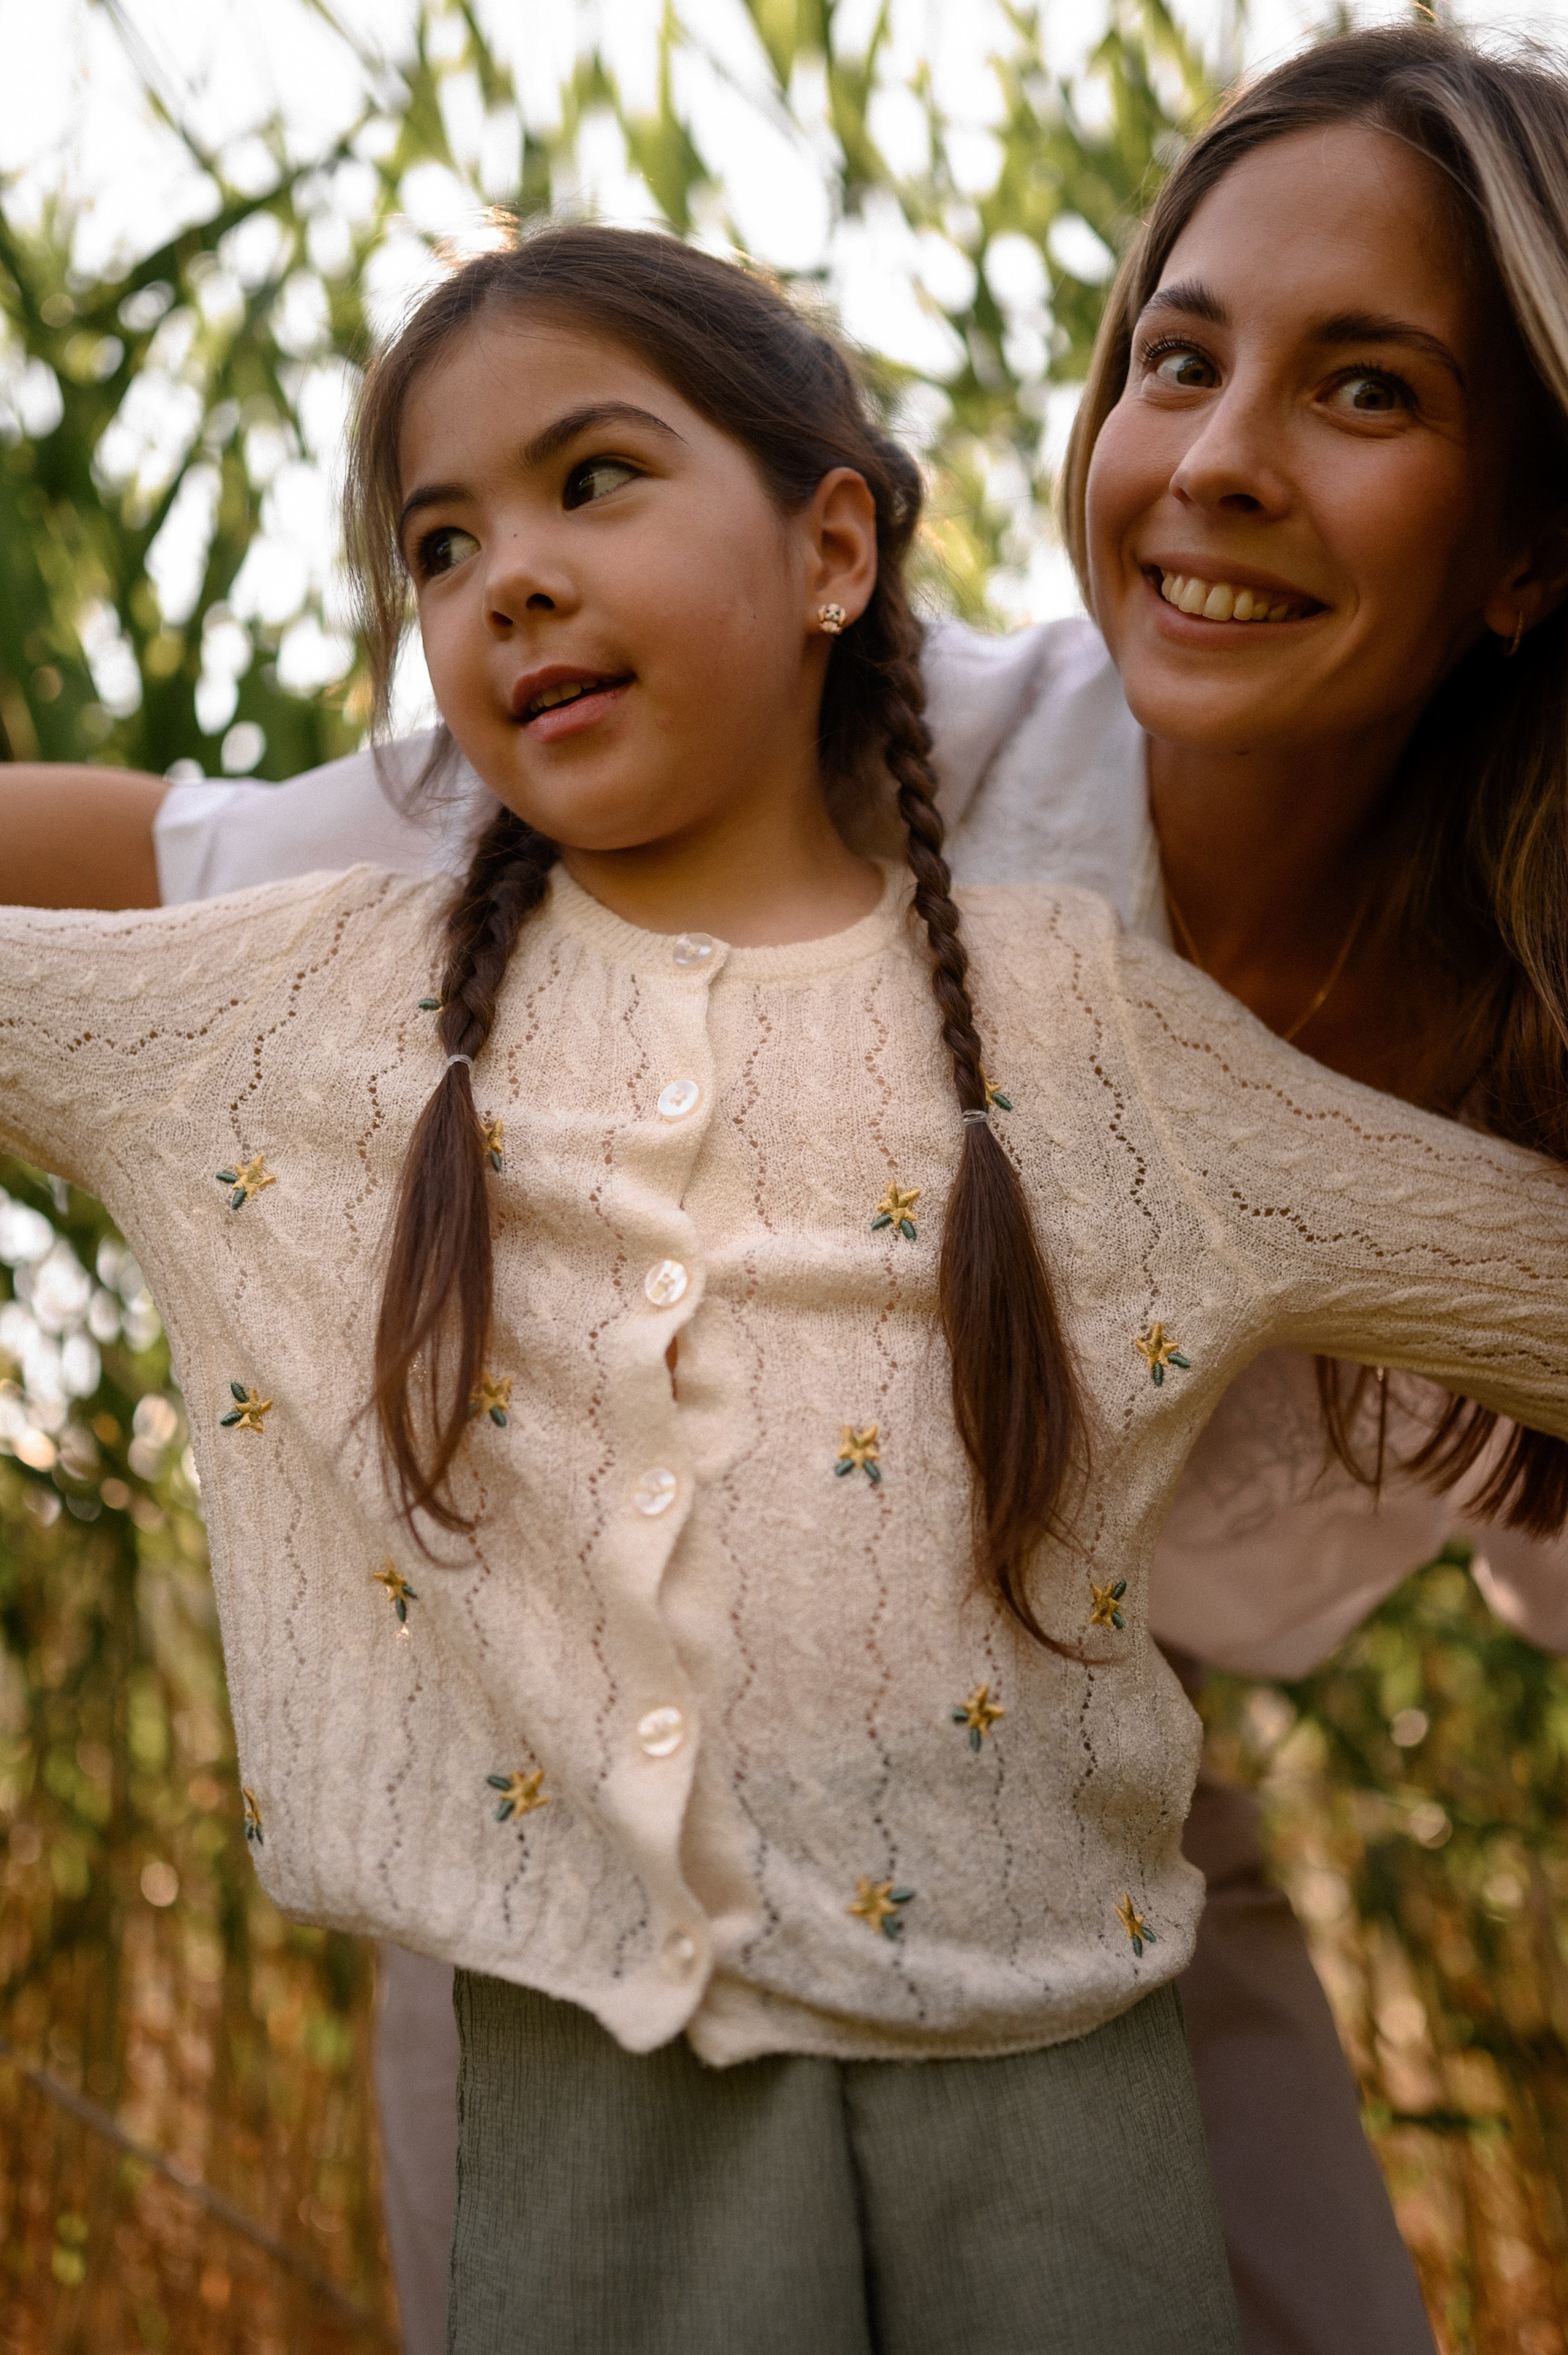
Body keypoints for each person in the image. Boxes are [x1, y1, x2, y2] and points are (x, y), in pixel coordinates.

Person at [11, 24, 1568, 2353]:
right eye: (1177, 357)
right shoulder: (780, 747)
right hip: (588, 1876)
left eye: (1368, 392)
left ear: (1533, 540)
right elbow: (163, 874)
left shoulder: (1496, 1063)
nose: (1217, 461)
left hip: (1079, 1852)